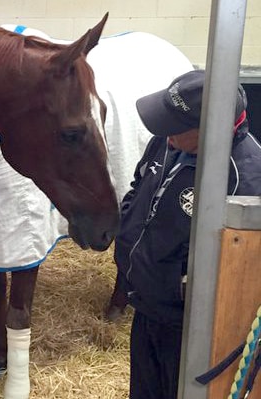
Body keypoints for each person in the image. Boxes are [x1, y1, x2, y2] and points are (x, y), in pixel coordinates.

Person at [113, 69, 261, 399]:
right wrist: (128, 229)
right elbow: (140, 185)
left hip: (187, 330)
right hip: (146, 308)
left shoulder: (246, 179)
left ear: (211, 131)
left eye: (176, 129)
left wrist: (176, 288)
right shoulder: (169, 143)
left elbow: (239, 270)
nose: (166, 137)